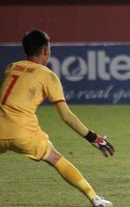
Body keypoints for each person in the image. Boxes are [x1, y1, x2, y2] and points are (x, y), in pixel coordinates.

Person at [0, 30, 115, 207]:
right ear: (46, 50)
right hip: (23, 133)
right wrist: (93, 138)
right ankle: (95, 199)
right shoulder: (47, 76)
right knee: (55, 158)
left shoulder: (11, 67)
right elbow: (66, 116)